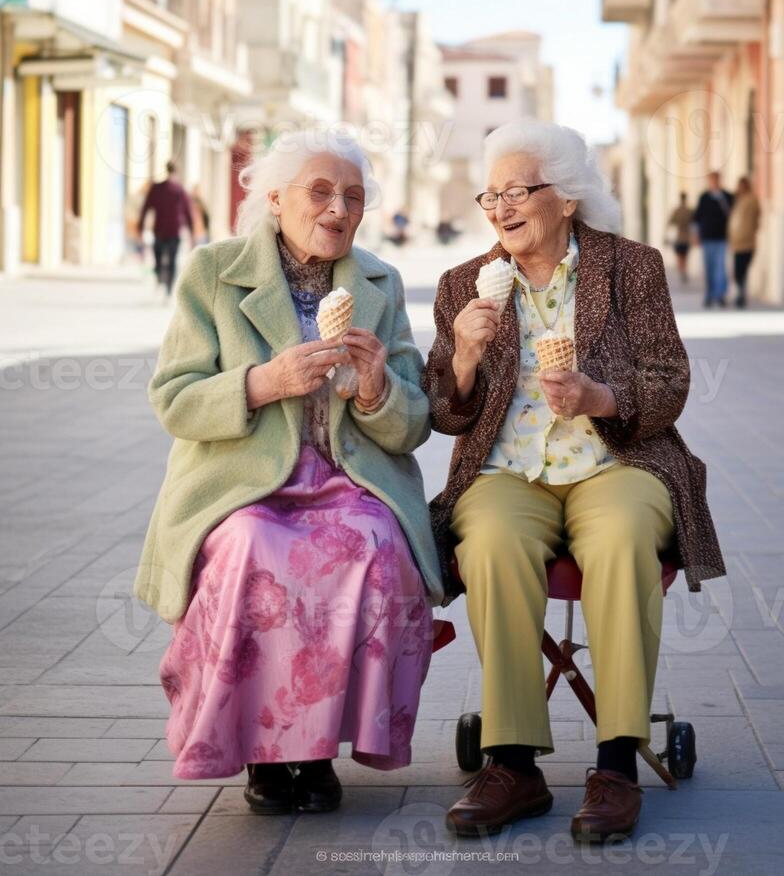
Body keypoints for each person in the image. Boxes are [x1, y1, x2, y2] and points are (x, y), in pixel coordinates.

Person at [421, 118, 725, 843]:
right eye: (490, 194)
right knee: (489, 537)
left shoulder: (632, 268)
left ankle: (617, 764)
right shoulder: (462, 283)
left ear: (569, 196)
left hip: (617, 462)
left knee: (621, 537)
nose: (501, 207)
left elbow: (669, 379)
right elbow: (444, 409)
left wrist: (601, 398)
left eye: (518, 190)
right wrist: (463, 356)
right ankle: (512, 762)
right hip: (506, 469)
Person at [133, 128, 444, 816]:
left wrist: (374, 391)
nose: (338, 208)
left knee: (375, 549)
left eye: (354, 197)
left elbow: (413, 420)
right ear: (275, 198)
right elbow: (174, 398)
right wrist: (261, 381)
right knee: (251, 548)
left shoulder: (379, 283)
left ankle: (314, 751)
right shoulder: (213, 271)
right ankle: (265, 757)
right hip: (247, 483)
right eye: (321, 191)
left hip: (345, 477)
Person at [137, 160, 194, 298]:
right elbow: (187, 212)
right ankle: (168, 287)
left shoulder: (158, 188)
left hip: (161, 231)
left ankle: (162, 281)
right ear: (175, 172)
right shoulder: (179, 190)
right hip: (173, 231)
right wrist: (191, 231)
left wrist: (141, 225)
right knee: (171, 260)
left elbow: (145, 207)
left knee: (159, 257)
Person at [692, 170, 733, 308]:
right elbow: (697, 218)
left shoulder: (727, 196)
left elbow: (732, 215)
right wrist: (695, 235)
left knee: (721, 268)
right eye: (711, 180)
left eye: (716, 180)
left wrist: (722, 201)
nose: (714, 183)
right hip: (707, 238)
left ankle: (720, 295)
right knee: (709, 268)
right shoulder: (704, 197)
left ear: (719, 180)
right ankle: (709, 295)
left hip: (722, 237)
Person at [728, 176, 760, 308]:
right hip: (737, 243)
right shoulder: (738, 200)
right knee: (737, 270)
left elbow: (756, 219)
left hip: (747, 242)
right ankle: (740, 293)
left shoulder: (752, 200)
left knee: (742, 269)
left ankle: (741, 294)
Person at [667, 191, 693, 284]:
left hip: (679, 237)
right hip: (686, 237)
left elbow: (670, 222)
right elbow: (693, 223)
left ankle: (681, 270)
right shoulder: (689, 211)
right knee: (685, 256)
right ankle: (684, 270)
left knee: (679, 256)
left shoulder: (676, 210)